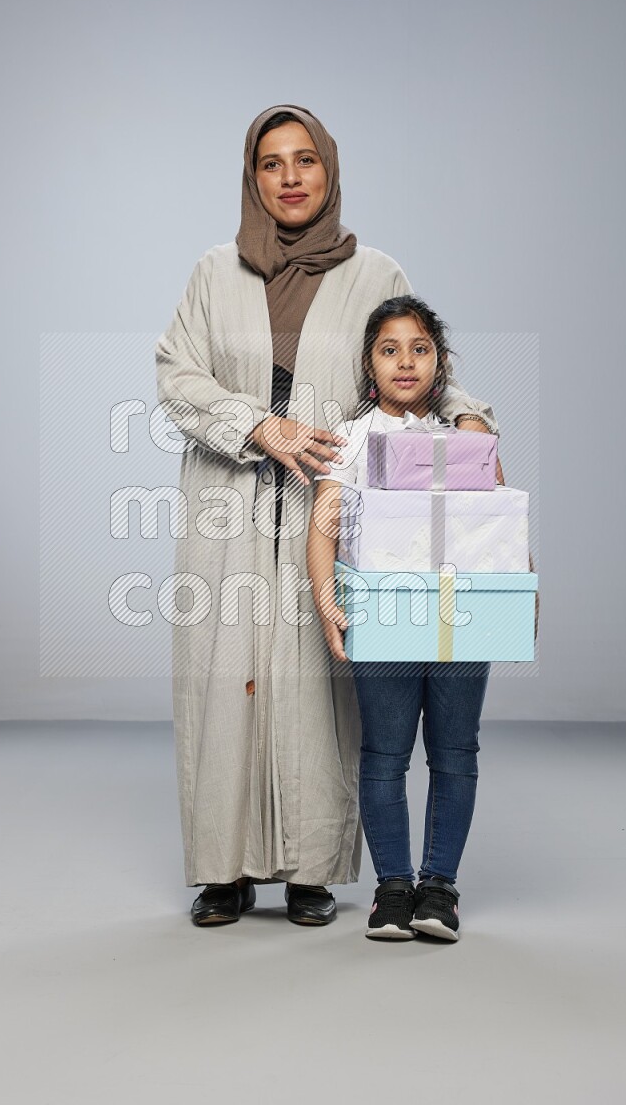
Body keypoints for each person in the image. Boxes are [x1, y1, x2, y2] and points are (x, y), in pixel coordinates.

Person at [155, 105, 498, 927]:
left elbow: (413, 361)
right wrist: (256, 424)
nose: (291, 177)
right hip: (229, 503)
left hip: (335, 503)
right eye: (272, 164)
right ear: (254, 179)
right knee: (223, 681)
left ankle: (311, 870)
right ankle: (224, 872)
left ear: (329, 170)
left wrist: (473, 414)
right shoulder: (214, 271)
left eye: (305, 160)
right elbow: (177, 375)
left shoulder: (374, 270)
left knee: (319, 688)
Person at [307, 295, 506, 941]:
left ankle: (438, 888)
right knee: (385, 753)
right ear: (370, 364)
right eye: (390, 349)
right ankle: (392, 888)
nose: (405, 362)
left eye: (420, 349)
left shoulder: (466, 434)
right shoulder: (353, 437)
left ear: (440, 363)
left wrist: (522, 591)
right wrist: (325, 598)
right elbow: (325, 520)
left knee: (455, 751)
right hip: (384, 615)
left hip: (458, 613)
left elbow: (499, 516)